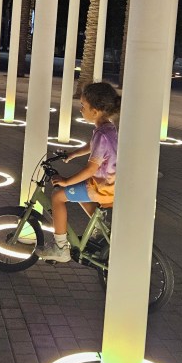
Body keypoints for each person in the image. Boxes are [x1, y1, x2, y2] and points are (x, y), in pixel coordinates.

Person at [36, 82, 120, 263]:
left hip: (102, 187)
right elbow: (93, 146)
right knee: (76, 189)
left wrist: (66, 181)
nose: (81, 109)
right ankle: (100, 227)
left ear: (95, 111)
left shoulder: (101, 134)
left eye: (83, 106)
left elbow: (91, 169)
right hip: (111, 183)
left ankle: (60, 249)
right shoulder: (108, 127)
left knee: (58, 196)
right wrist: (73, 154)